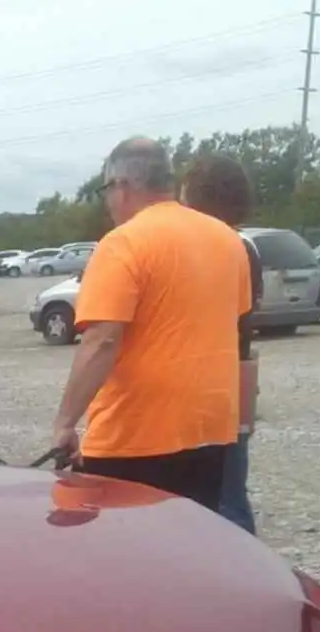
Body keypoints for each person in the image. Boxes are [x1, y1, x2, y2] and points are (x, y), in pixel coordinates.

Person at [49, 137, 253, 513]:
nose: (108, 202)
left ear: (122, 186)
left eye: (106, 190)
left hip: (135, 440)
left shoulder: (122, 243)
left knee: (130, 562)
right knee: (187, 551)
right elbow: (230, 320)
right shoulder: (227, 240)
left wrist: (65, 423)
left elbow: (102, 341)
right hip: (211, 432)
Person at [180, 153, 263, 532]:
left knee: (219, 501)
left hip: (205, 385)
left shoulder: (214, 248)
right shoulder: (246, 248)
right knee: (232, 493)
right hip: (236, 380)